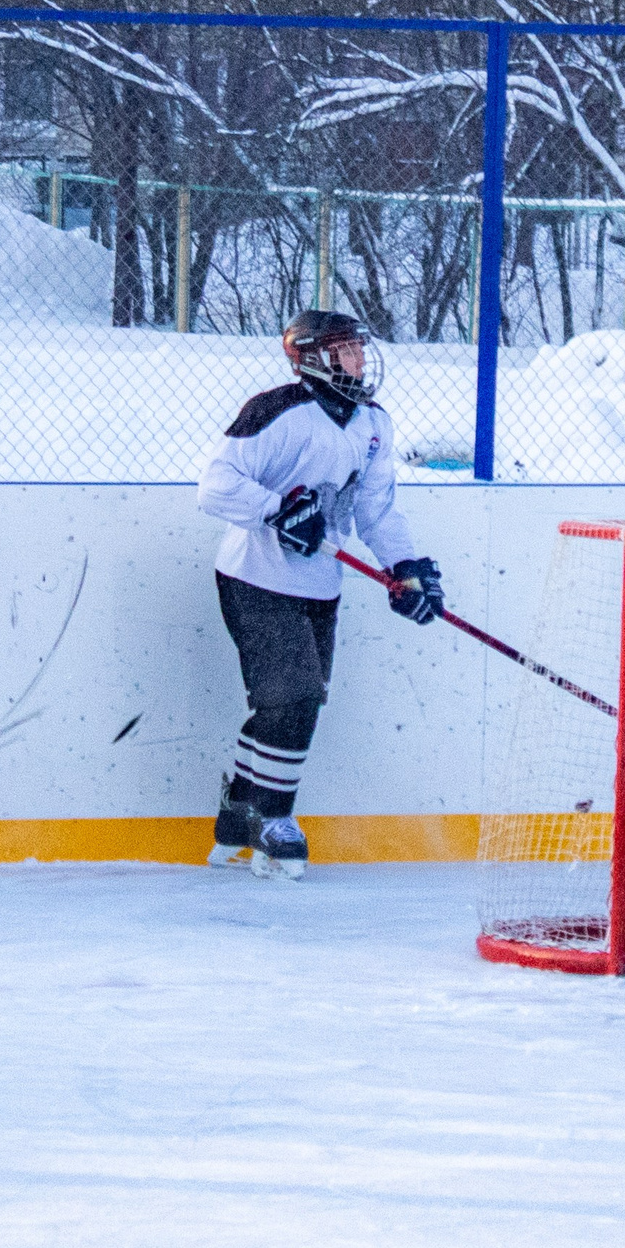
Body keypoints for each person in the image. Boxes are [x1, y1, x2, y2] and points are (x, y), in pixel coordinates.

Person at [196, 309, 444, 879]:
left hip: (318, 585)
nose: (358, 360)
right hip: (254, 576)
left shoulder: (372, 423)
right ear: (310, 357)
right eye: (345, 351)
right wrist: (276, 511)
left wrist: (403, 567)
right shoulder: (278, 412)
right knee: (296, 695)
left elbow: (375, 509)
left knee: (290, 701)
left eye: (359, 349)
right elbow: (215, 485)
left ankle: (236, 815)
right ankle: (272, 817)